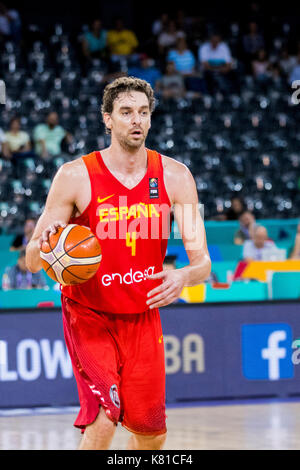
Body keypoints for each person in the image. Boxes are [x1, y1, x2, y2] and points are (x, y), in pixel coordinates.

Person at [25, 76, 211, 450]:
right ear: (107, 119)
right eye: (126, 112)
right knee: (104, 419)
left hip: (142, 315)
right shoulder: (75, 176)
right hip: (88, 313)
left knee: (151, 433)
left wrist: (183, 276)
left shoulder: (176, 176)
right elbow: (31, 261)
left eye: (143, 112)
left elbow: (203, 262)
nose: (136, 120)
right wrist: (49, 245)